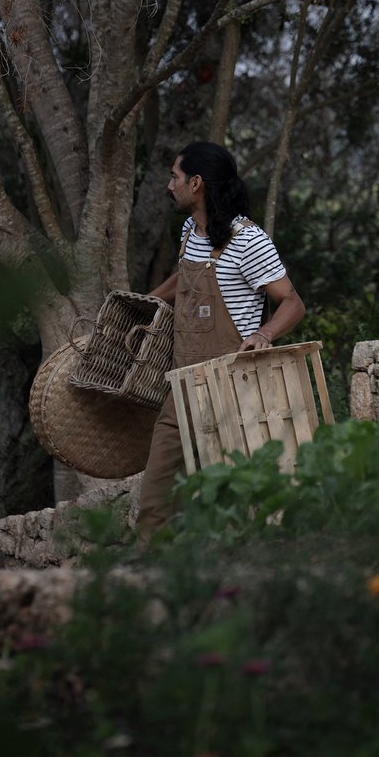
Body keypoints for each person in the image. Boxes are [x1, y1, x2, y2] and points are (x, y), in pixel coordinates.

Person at [136, 140, 305, 541]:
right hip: (182, 388)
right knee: (155, 500)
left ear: (196, 184)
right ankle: (146, 583)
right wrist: (145, 302)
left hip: (233, 394)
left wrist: (264, 334)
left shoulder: (249, 241)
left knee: (235, 505)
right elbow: (185, 279)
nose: (168, 184)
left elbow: (293, 303)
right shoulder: (189, 232)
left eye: (175, 177)